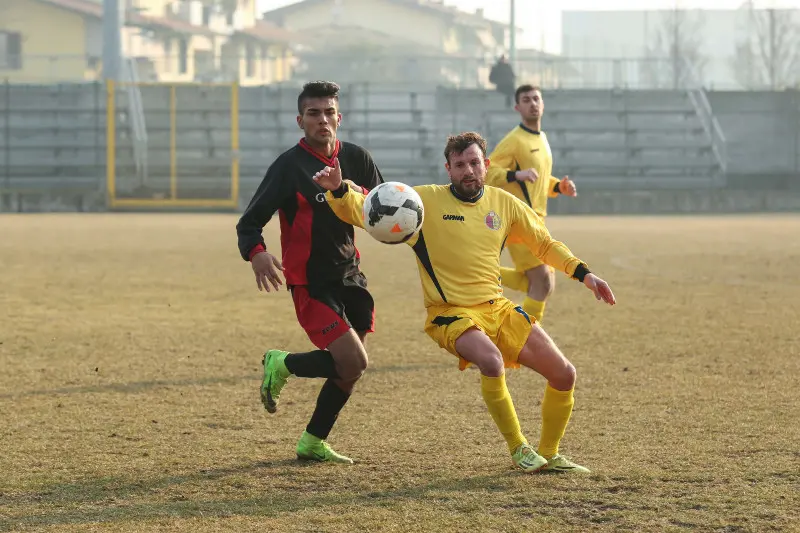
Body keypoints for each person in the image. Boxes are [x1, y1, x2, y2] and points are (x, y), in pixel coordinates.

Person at [313, 132, 616, 473]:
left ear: (486, 165)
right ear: (448, 169)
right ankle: (520, 449)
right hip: (449, 313)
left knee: (564, 375)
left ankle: (551, 454)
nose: (468, 171)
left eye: (474, 163)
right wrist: (339, 191)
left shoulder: (505, 204)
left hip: (497, 308)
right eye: (460, 165)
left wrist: (585, 274)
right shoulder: (423, 202)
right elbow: (369, 210)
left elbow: (544, 244)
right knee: (491, 361)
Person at [236, 81, 383, 464]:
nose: (323, 120)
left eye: (329, 112)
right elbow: (249, 222)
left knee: (347, 371)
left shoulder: (357, 158)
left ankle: (312, 442)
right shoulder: (289, 166)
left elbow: (382, 209)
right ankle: (282, 363)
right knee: (354, 362)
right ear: (300, 120)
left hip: (352, 275)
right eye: (314, 113)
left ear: (339, 117)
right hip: (311, 282)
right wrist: (257, 253)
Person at [485, 84, 579, 325]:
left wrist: (559, 187)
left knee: (543, 282)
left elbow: (538, 178)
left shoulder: (542, 138)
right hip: (518, 221)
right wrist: (515, 175)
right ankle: (520, 339)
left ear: (543, 104)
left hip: (536, 220)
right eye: (526, 100)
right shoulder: (514, 140)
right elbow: (488, 172)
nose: (533, 103)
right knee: (543, 282)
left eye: (536, 98)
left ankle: (481, 274)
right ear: (518, 107)